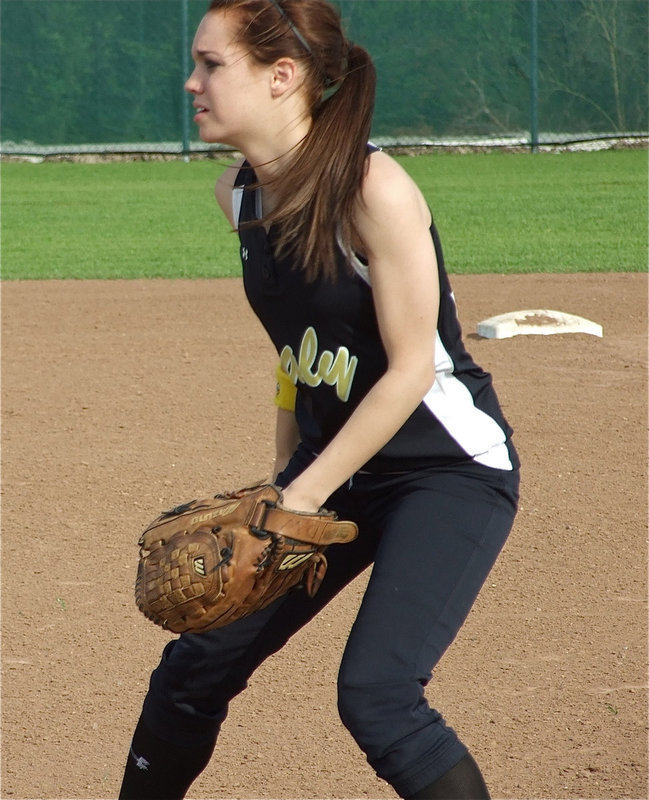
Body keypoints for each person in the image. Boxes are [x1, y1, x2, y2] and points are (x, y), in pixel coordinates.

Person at [118, 1, 520, 798]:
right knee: (194, 669)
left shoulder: (373, 189)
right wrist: (281, 472)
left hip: (444, 472)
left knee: (377, 697)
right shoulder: (238, 195)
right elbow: (293, 351)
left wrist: (299, 492)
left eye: (211, 64)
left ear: (282, 76)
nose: (191, 82)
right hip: (334, 467)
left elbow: (409, 371)